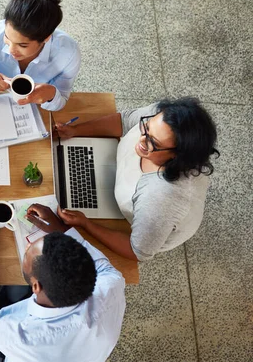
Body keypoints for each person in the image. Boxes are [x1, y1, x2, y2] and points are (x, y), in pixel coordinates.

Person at [0, 200, 126, 362]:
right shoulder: (112, 286)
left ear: (36, 287)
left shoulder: (20, 336)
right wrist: (61, 230)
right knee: (11, 291)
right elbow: (103, 267)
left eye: (29, 251)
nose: (28, 246)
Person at [54, 97, 219, 261]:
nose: (141, 139)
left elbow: (138, 251)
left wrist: (86, 224)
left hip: (150, 221)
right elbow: (125, 121)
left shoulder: (162, 199)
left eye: (152, 142)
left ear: (178, 156)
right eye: (146, 128)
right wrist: (76, 130)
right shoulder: (162, 118)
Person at [0, 0, 80, 111]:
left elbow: (61, 100)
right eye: (7, 37)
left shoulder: (69, 54)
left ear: (46, 38)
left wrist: (51, 94)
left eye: (22, 45)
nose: (11, 50)